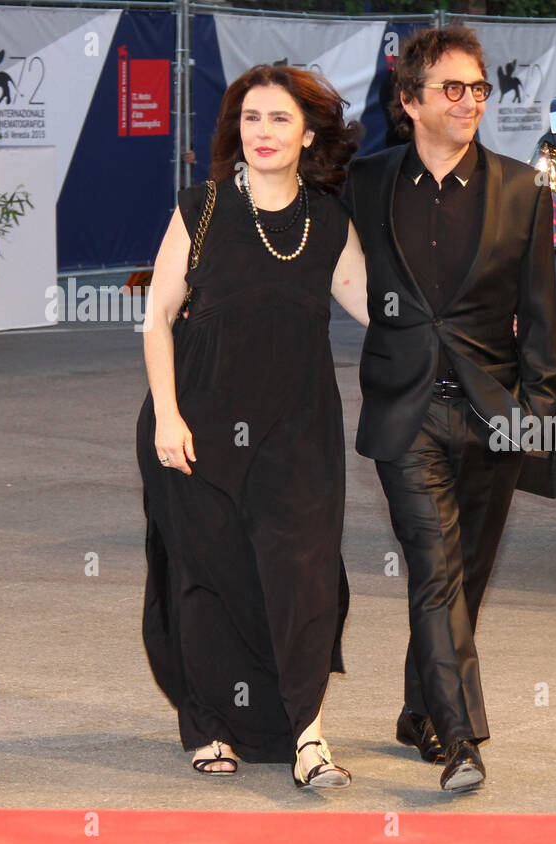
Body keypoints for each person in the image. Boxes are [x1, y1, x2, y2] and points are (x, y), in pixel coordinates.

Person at [136, 64, 369, 790]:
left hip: (298, 432)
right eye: (250, 118)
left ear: (307, 134)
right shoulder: (202, 207)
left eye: (278, 119)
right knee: (209, 577)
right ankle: (210, 725)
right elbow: (156, 318)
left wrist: (485, 314)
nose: (262, 133)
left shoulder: (328, 222)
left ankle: (308, 736)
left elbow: (380, 311)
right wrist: (167, 415)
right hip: (196, 425)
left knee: (303, 577)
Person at [342, 25, 556, 792]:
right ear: (410, 101)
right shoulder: (366, 185)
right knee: (435, 571)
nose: (470, 101)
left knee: (463, 581)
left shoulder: (522, 189)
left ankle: (416, 711)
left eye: (478, 88)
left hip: (492, 415)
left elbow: (540, 316)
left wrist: (536, 411)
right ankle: (460, 737)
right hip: (406, 414)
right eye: (452, 89)